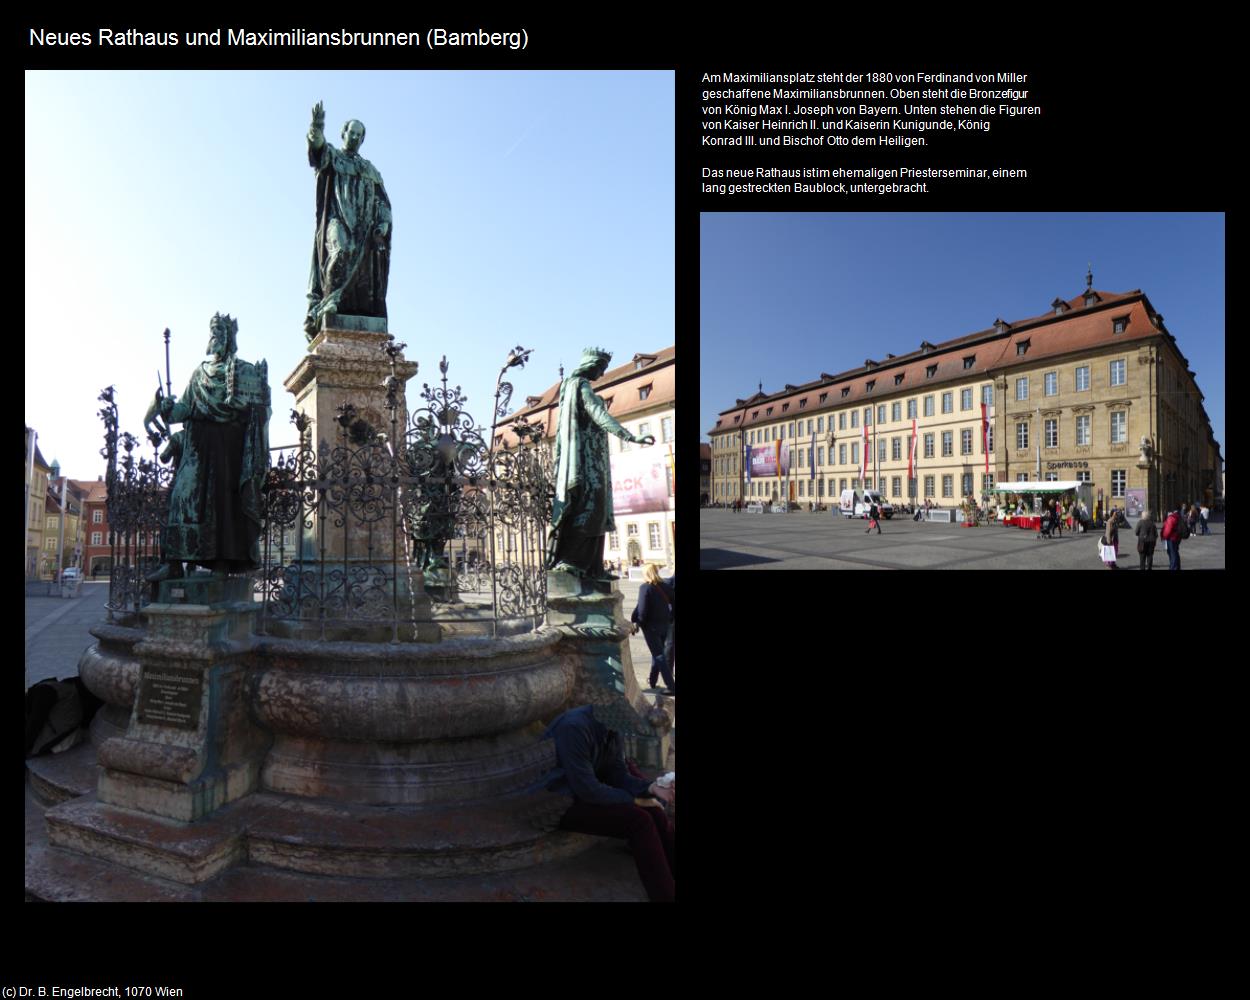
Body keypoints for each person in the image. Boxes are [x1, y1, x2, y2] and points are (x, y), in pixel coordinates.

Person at [148, 314, 271, 581]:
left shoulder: (241, 371)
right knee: (181, 499)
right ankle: (173, 562)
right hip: (197, 448)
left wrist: (258, 405)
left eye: (221, 333)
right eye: (213, 332)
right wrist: (168, 410)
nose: (216, 337)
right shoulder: (199, 373)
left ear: (229, 339)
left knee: (222, 505)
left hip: (226, 449)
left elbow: (256, 410)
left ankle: (222, 564)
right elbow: (184, 408)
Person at [542, 704, 675, 902]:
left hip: (587, 792)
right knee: (639, 821)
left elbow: (617, 773)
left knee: (654, 810)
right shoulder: (574, 728)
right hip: (559, 802)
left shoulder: (612, 725)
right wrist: (635, 799)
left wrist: (651, 789)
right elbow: (587, 789)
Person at [547, 348, 655, 580]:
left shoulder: (575, 387)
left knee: (600, 511)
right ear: (591, 364)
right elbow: (599, 414)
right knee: (591, 510)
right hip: (587, 464)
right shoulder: (581, 386)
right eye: (601, 368)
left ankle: (593, 566)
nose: (602, 373)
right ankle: (573, 562)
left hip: (595, 462)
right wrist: (630, 436)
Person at [304, 102, 393, 339]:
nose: (353, 137)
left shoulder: (370, 169)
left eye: (358, 134)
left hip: (363, 227)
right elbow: (317, 149)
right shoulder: (333, 156)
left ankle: (354, 310)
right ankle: (329, 303)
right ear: (343, 134)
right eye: (350, 133)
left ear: (362, 139)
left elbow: (382, 201)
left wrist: (383, 222)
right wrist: (317, 126)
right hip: (337, 219)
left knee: (363, 270)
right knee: (340, 250)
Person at [631, 563, 674, 694]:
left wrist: (638, 623)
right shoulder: (665, 586)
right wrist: (670, 618)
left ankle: (671, 686)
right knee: (658, 651)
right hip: (664, 625)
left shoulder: (645, 587)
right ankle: (653, 680)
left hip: (651, 627)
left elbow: (642, 610)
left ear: (646, 573)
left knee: (659, 655)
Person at [1161, 504, 1188, 570]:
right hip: (1177, 537)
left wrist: (1164, 536)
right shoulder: (1179, 516)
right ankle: (1177, 567)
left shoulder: (1171, 517)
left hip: (1171, 538)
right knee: (1175, 552)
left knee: (1172, 554)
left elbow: (1168, 530)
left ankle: (1173, 567)